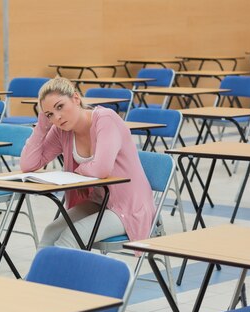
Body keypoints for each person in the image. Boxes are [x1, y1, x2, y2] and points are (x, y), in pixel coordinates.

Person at [20, 77, 155, 251]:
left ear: (75, 98)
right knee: (50, 233)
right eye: (50, 114)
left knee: (70, 237)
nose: (57, 117)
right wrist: (41, 127)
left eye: (60, 107)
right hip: (98, 202)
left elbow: (102, 169)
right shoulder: (62, 131)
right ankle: (37, 278)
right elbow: (28, 164)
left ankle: (57, 278)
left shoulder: (106, 119)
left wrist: (78, 170)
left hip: (130, 206)